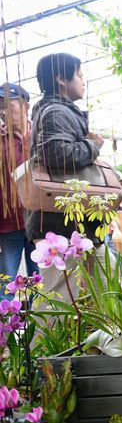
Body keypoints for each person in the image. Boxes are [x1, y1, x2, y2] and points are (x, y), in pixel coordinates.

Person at [27, 53, 106, 302]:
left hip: (72, 221)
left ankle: (109, 341)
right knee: (58, 299)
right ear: (61, 78)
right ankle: (45, 343)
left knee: (106, 287)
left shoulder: (59, 111)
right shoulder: (55, 113)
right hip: (59, 223)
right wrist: (92, 145)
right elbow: (57, 155)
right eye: (79, 74)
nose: (84, 81)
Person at [0, 83, 37, 289]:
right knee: (4, 286)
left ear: (26, 106)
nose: (2, 111)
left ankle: (38, 322)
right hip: (7, 226)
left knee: (39, 285)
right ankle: (5, 321)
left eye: (7, 104)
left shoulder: (40, 136)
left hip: (38, 223)